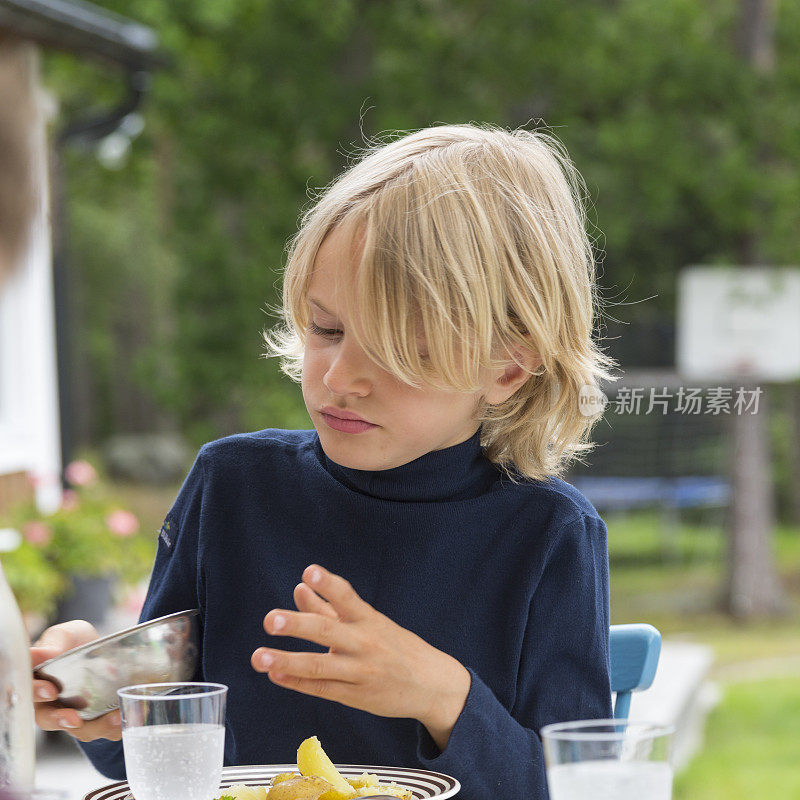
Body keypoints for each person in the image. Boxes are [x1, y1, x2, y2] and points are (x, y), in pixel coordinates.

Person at [30, 123, 616, 800]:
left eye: (398, 351)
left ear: (509, 367)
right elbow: (154, 761)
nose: (340, 377)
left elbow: (582, 789)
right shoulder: (232, 489)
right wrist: (101, 702)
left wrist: (444, 697)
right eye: (327, 329)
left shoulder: (548, 536)